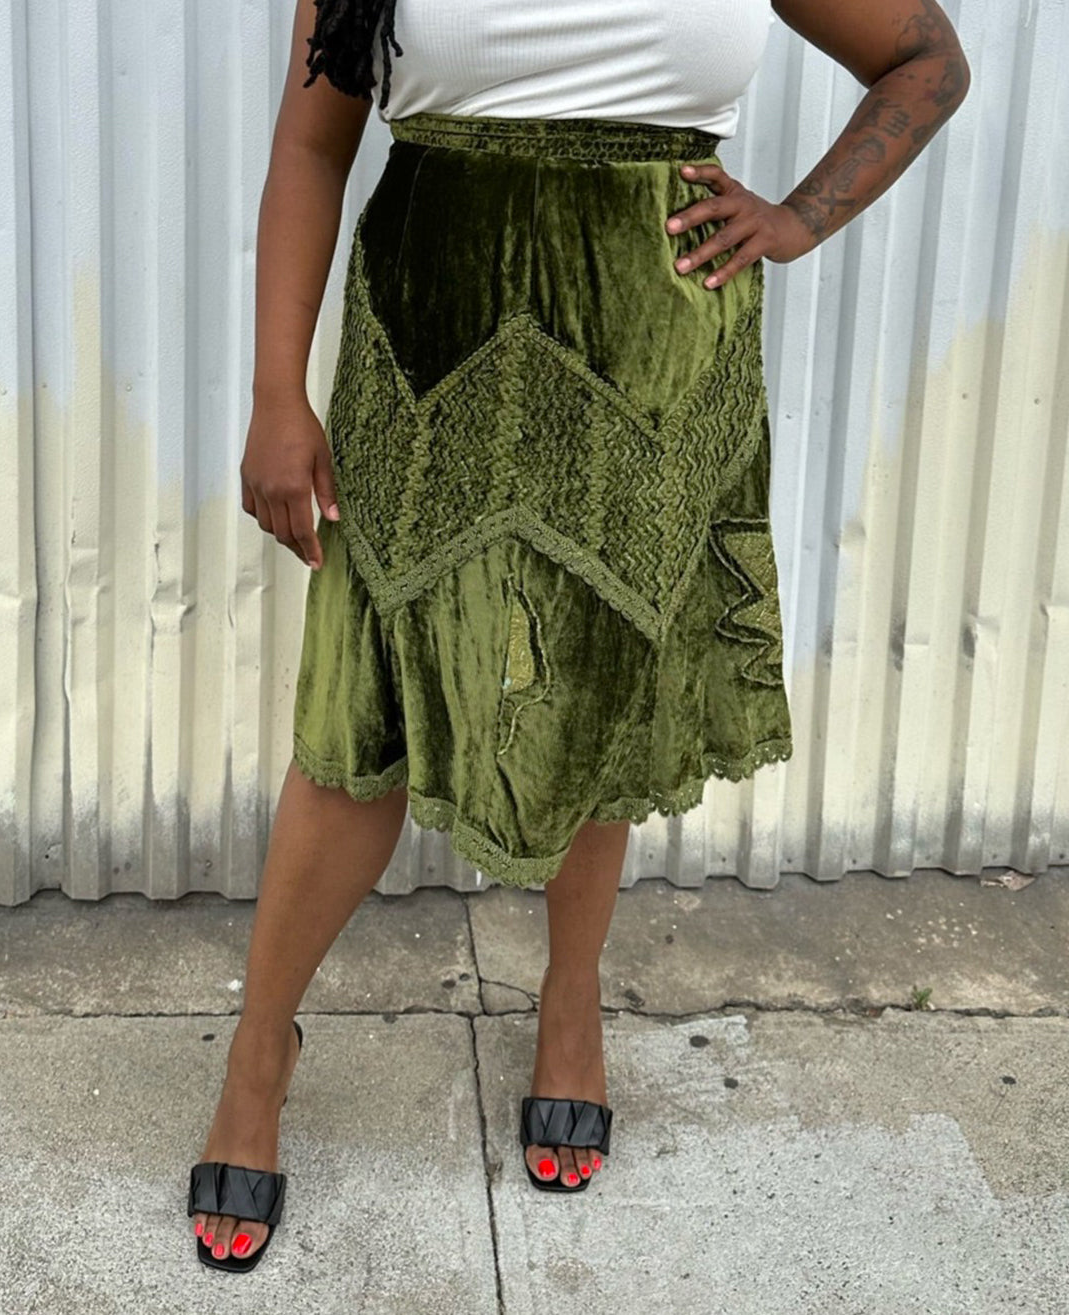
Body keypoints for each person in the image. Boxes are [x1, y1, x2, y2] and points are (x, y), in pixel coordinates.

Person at [186, 0, 970, 1273]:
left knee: (603, 688)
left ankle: (570, 1001)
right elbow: (313, 142)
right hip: (427, 346)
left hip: (654, 357)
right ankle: (258, 1052)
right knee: (358, 715)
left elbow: (926, 61)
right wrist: (279, 392)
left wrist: (796, 219)